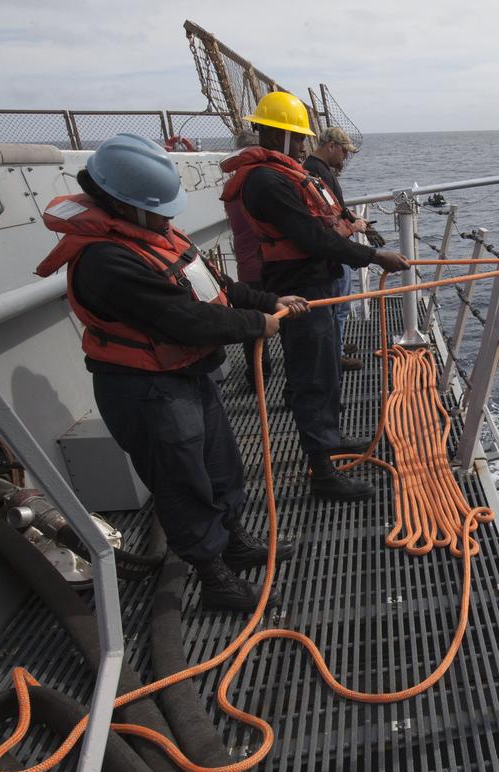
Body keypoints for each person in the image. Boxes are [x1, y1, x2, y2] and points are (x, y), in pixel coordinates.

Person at [35, 133, 308, 612]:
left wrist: (268, 301)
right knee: (182, 483)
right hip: (147, 390)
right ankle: (213, 577)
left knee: (222, 466)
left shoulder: (156, 236)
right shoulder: (107, 260)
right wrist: (257, 325)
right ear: (124, 204)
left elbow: (214, 287)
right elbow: (187, 319)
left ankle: (234, 541)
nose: (169, 217)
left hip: (188, 375)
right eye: (160, 209)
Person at [220, 92, 409, 502]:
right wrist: (374, 255)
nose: (305, 147)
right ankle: (322, 473)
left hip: (311, 281)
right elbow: (311, 237)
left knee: (324, 371)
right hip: (299, 288)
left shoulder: (280, 174)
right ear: (278, 135)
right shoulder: (266, 181)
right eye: (299, 138)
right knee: (311, 379)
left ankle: (332, 437)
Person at [303, 126, 386, 373]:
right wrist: (355, 227)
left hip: (334, 249)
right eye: (344, 152)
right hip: (333, 251)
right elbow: (329, 221)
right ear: (332, 146)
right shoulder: (317, 173)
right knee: (338, 307)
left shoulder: (318, 171)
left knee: (338, 308)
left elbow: (336, 209)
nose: (345, 158)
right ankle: (335, 356)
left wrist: (354, 221)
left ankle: (335, 347)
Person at [225, 128, 272, 384]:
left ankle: (257, 375)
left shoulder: (231, 188)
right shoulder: (256, 185)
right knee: (282, 320)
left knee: (252, 326)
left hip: (246, 265)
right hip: (266, 264)